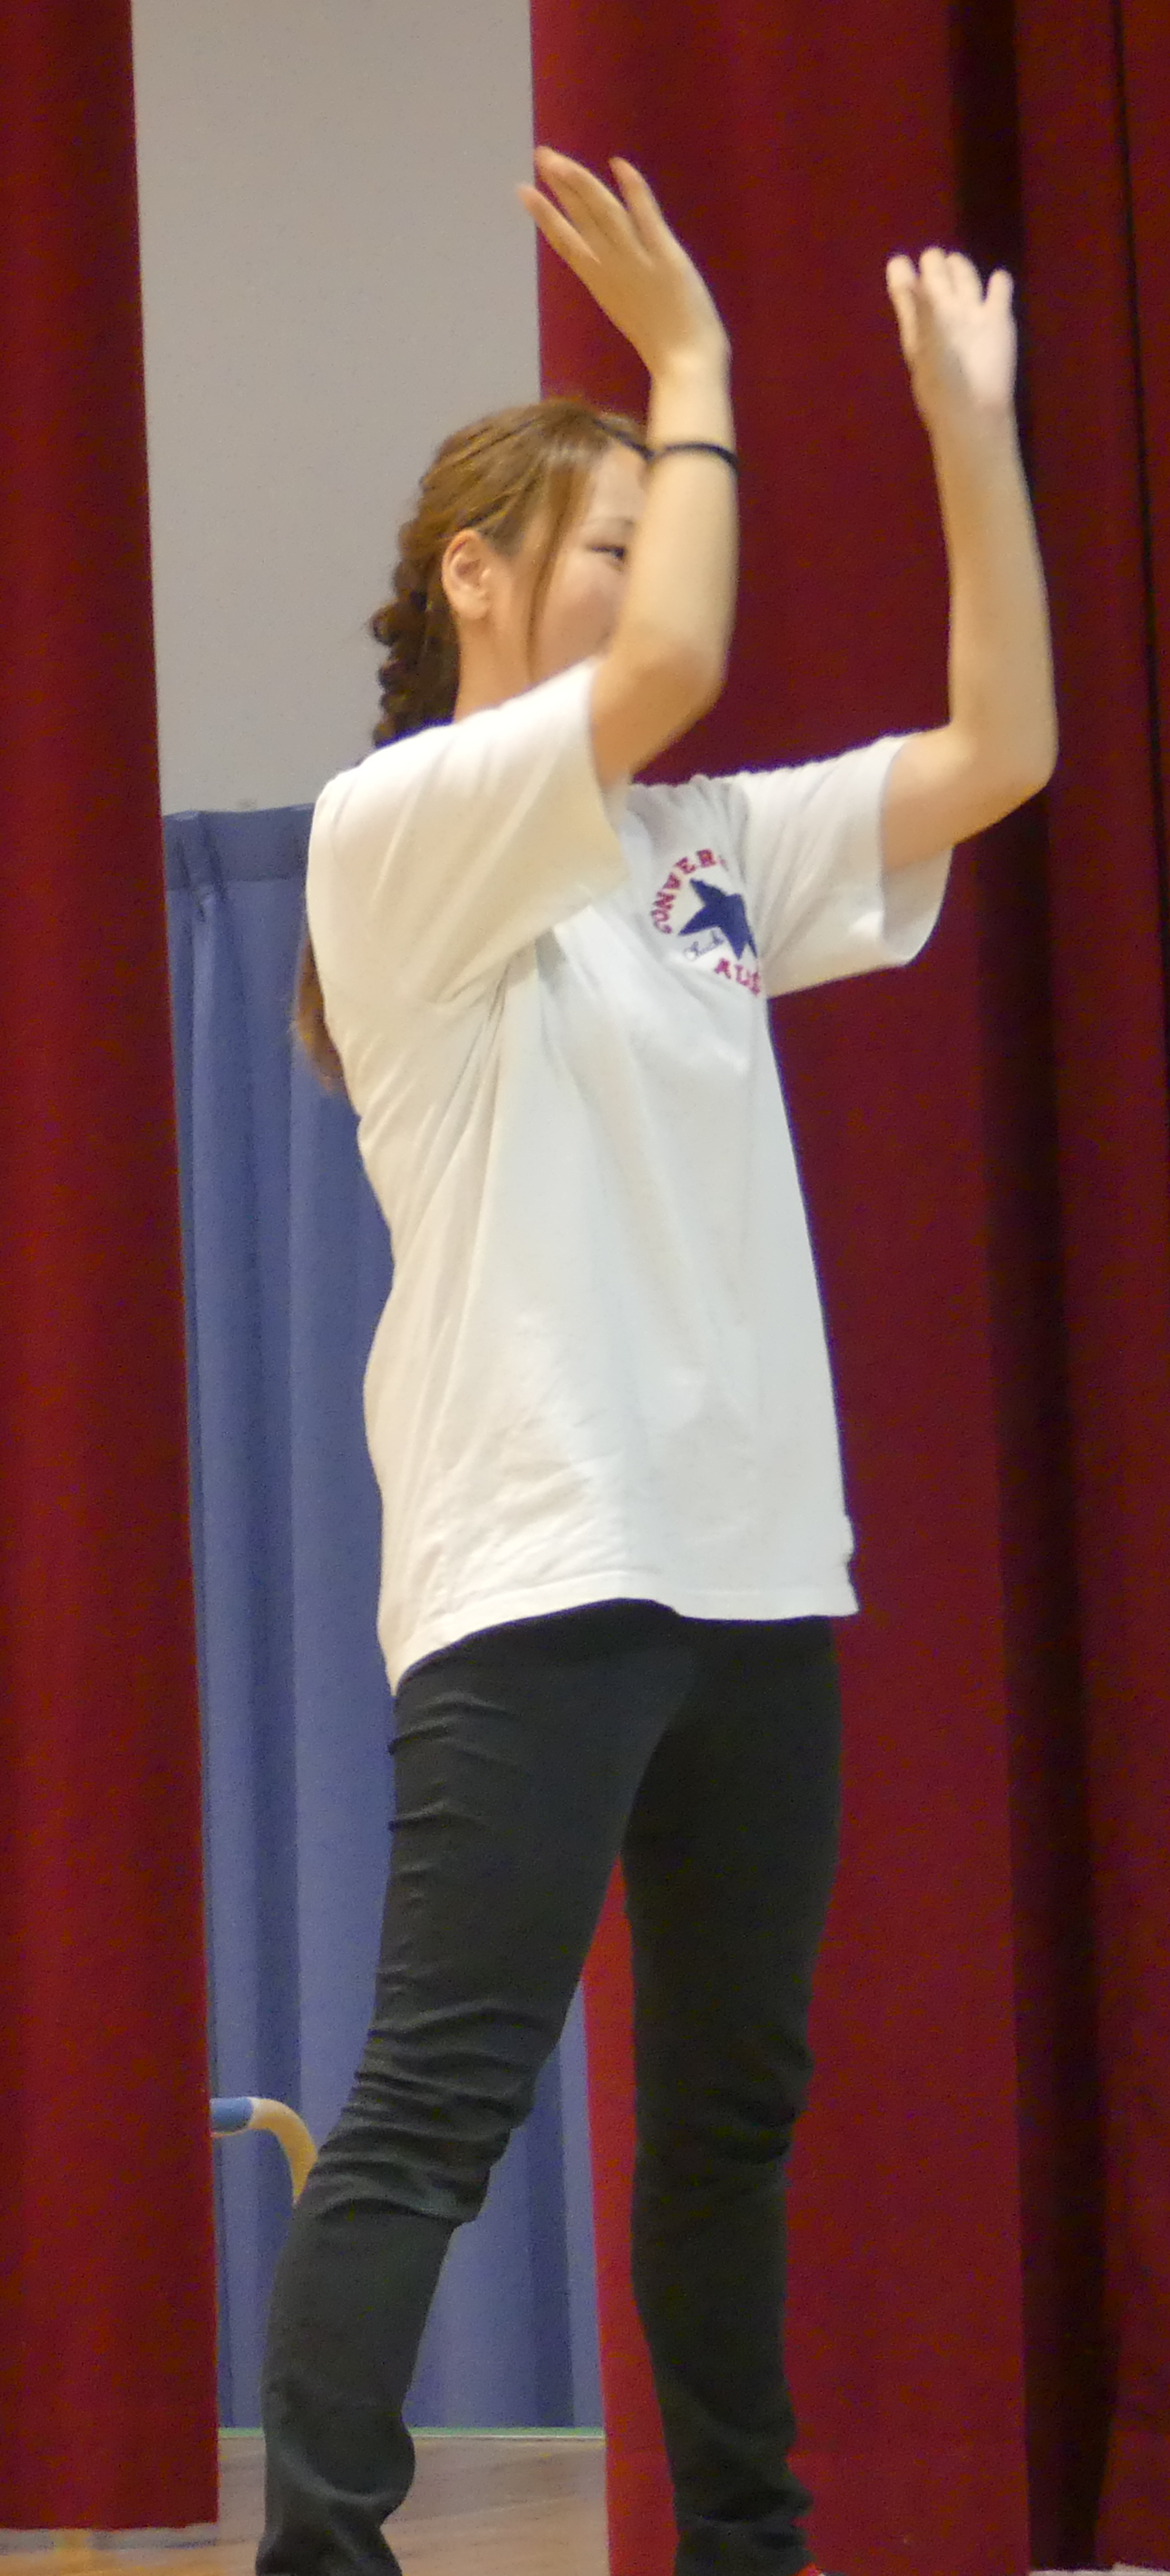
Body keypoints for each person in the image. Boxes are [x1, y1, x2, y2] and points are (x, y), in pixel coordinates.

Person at [267, 154, 1054, 2576]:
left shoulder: (699, 844)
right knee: (441, 2101)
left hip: (753, 1570)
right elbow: (676, 663)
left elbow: (997, 746)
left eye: (658, 524)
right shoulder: (399, 823)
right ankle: (319, 2546)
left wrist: (968, 436)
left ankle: (742, 2542)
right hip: (541, 1558)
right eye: (607, 536)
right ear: (474, 577)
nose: (653, 565)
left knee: (730, 2115)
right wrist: (692, 365)